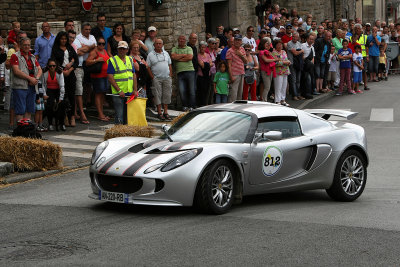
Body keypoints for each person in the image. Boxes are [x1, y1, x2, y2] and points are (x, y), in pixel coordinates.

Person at [10, 37, 43, 121]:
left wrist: (36, 78)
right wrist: (30, 79)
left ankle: (27, 129)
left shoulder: (32, 57)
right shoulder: (15, 56)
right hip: (20, 86)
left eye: (28, 45)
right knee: (20, 110)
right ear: (20, 45)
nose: (27, 47)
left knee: (29, 109)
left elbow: (39, 69)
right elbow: (16, 71)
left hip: (32, 86)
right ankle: (21, 129)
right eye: (25, 45)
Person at [51, 31, 78, 127]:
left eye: (65, 39)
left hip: (70, 74)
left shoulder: (70, 48)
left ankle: (72, 116)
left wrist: (70, 69)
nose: (64, 41)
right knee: (62, 96)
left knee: (71, 96)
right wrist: (62, 71)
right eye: (62, 39)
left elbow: (76, 61)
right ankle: (64, 116)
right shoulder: (55, 49)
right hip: (60, 74)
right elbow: (54, 62)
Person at [107, 41, 137, 124]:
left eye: (124, 49)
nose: (122, 50)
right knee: (119, 115)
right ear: (117, 49)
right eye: (120, 49)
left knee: (128, 115)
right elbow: (110, 77)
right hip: (118, 93)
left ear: (127, 50)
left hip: (129, 92)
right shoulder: (113, 60)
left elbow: (133, 75)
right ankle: (119, 133)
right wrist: (119, 90)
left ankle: (126, 133)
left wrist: (135, 90)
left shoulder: (130, 59)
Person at [74, 22, 96, 124]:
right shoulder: (77, 38)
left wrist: (86, 48)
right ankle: (80, 110)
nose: (88, 31)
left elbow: (94, 47)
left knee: (87, 86)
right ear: (82, 30)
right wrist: (89, 47)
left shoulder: (92, 37)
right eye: (86, 29)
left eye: (89, 29)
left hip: (88, 64)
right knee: (78, 89)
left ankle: (85, 104)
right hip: (79, 65)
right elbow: (78, 52)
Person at [147, 38, 173, 120]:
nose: (158, 45)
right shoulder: (150, 55)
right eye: (157, 43)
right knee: (157, 95)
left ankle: (165, 112)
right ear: (154, 45)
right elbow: (148, 67)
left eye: (160, 43)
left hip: (167, 78)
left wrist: (170, 75)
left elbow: (169, 64)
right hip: (157, 78)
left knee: (167, 95)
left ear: (162, 45)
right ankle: (159, 112)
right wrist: (152, 77)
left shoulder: (166, 53)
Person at [86, 36, 110, 121]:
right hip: (97, 76)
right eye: (99, 43)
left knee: (103, 94)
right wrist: (96, 60)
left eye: (103, 44)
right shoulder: (94, 52)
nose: (101, 45)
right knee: (98, 94)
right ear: (97, 44)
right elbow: (87, 62)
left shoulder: (104, 51)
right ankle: (100, 114)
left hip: (105, 75)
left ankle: (102, 113)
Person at [171, 35, 196, 110]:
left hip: (190, 71)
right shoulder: (174, 48)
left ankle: (191, 106)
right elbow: (173, 57)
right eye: (180, 39)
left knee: (191, 90)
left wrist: (178, 58)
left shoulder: (189, 48)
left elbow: (190, 57)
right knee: (182, 90)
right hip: (180, 72)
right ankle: (185, 106)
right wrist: (184, 55)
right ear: (178, 40)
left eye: (183, 39)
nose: (181, 41)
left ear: (185, 41)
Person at [42, 59, 66, 131]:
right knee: (49, 106)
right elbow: (43, 84)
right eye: (50, 66)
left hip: (58, 90)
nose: (52, 67)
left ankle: (62, 123)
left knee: (62, 105)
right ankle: (50, 124)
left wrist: (61, 97)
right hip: (49, 89)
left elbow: (62, 85)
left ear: (56, 66)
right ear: (48, 66)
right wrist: (44, 95)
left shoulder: (59, 72)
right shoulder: (45, 72)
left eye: (54, 66)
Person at [226, 34, 247, 102]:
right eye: (236, 40)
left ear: (241, 41)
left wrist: (241, 55)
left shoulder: (242, 49)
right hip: (234, 74)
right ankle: (230, 109)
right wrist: (231, 76)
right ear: (234, 41)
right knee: (233, 95)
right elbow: (228, 65)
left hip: (241, 73)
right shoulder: (230, 51)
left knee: (239, 95)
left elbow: (246, 61)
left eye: (239, 40)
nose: (237, 42)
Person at [272, 39, 291, 106]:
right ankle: (277, 100)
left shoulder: (284, 52)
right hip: (278, 71)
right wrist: (285, 62)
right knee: (278, 86)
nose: (280, 46)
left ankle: (283, 99)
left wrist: (288, 62)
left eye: (281, 44)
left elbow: (286, 59)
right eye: (278, 44)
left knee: (284, 86)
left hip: (285, 70)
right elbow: (276, 62)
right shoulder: (274, 53)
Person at [258, 37, 276, 102]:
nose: (268, 45)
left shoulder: (268, 51)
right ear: (263, 44)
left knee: (268, 86)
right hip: (265, 70)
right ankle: (264, 100)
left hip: (270, 70)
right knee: (267, 87)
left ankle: (264, 100)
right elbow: (266, 60)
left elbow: (273, 57)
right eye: (266, 43)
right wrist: (275, 59)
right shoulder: (262, 52)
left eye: (269, 44)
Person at [287, 32, 304, 100]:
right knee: (293, 80)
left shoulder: (299, 44)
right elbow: (295, 53)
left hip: (299, 64)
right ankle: (294, 95)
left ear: (298, 37)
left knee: (298, 80)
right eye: (293, 36)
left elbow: (300, 53)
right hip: (292, 63)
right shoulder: (289, 43)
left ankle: (298, 94)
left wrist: (299, 51)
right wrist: (301, 51)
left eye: (295, 37)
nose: (294, 38)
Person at [196, 41, 213, 107]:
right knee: (201, 91)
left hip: (208, 75)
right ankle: (201, 104)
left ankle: (206, 103)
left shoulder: (207, 55)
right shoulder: (198, 56)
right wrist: (208, 64)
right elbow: (202, 65)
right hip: (201, 76)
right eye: (202, 47)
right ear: (200, 48)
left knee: (207, 90)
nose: (203, 49)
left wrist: (206, 64)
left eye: (204, 47)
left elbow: (212, 64)